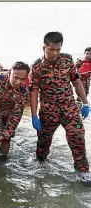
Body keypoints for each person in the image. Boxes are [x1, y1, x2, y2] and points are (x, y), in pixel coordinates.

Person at [29, 31, 90, 174]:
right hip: (48, 111)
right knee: (43, 143)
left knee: (77, 137)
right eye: (51, 50)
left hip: (69, 108)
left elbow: (76, 81)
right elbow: (34, 91)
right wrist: (33, 115)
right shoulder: (37, 66)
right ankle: (40, 166)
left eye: (58, 49)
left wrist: (86, 103)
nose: (55, 53)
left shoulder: (67, 60)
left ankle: (83, 172)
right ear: (44, 47)